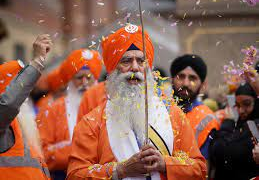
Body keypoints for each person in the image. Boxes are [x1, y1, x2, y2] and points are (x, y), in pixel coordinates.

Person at [67, 24, 206, 180]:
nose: (135, 68)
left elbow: (200, 169)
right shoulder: (92, 122)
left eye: (141, 61)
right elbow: (75, 175)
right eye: (126, 61)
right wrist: (120, 170)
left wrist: (165, 164)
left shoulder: (172, 114)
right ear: (113, 69)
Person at [37, 49, 102, 180]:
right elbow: (40, 153)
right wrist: (77, 151)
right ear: (70, 81)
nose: (84, 83)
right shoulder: (54, 109)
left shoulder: (105, 107)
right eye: (79, 77)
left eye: (89, 78)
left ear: (95, 80)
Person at [0, 34, 52, 180]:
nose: (24, 94)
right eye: (18, 84)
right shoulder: (4, 121)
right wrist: (36, 62)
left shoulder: (23, 124)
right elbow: (9, 104)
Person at [170, 54, 219, 159]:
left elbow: (203, 167)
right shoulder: (159, 110)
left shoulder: (207, 117)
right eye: (181, 76)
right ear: (172, 80)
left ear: (202, 84)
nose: (186, 83)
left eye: (192, 78)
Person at [209, 83, 259, 180]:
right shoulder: (238, 123)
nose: (241, 110)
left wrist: (228, 122)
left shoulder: (255, 127)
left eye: (247, 104)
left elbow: (221, 152)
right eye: (237, 105)